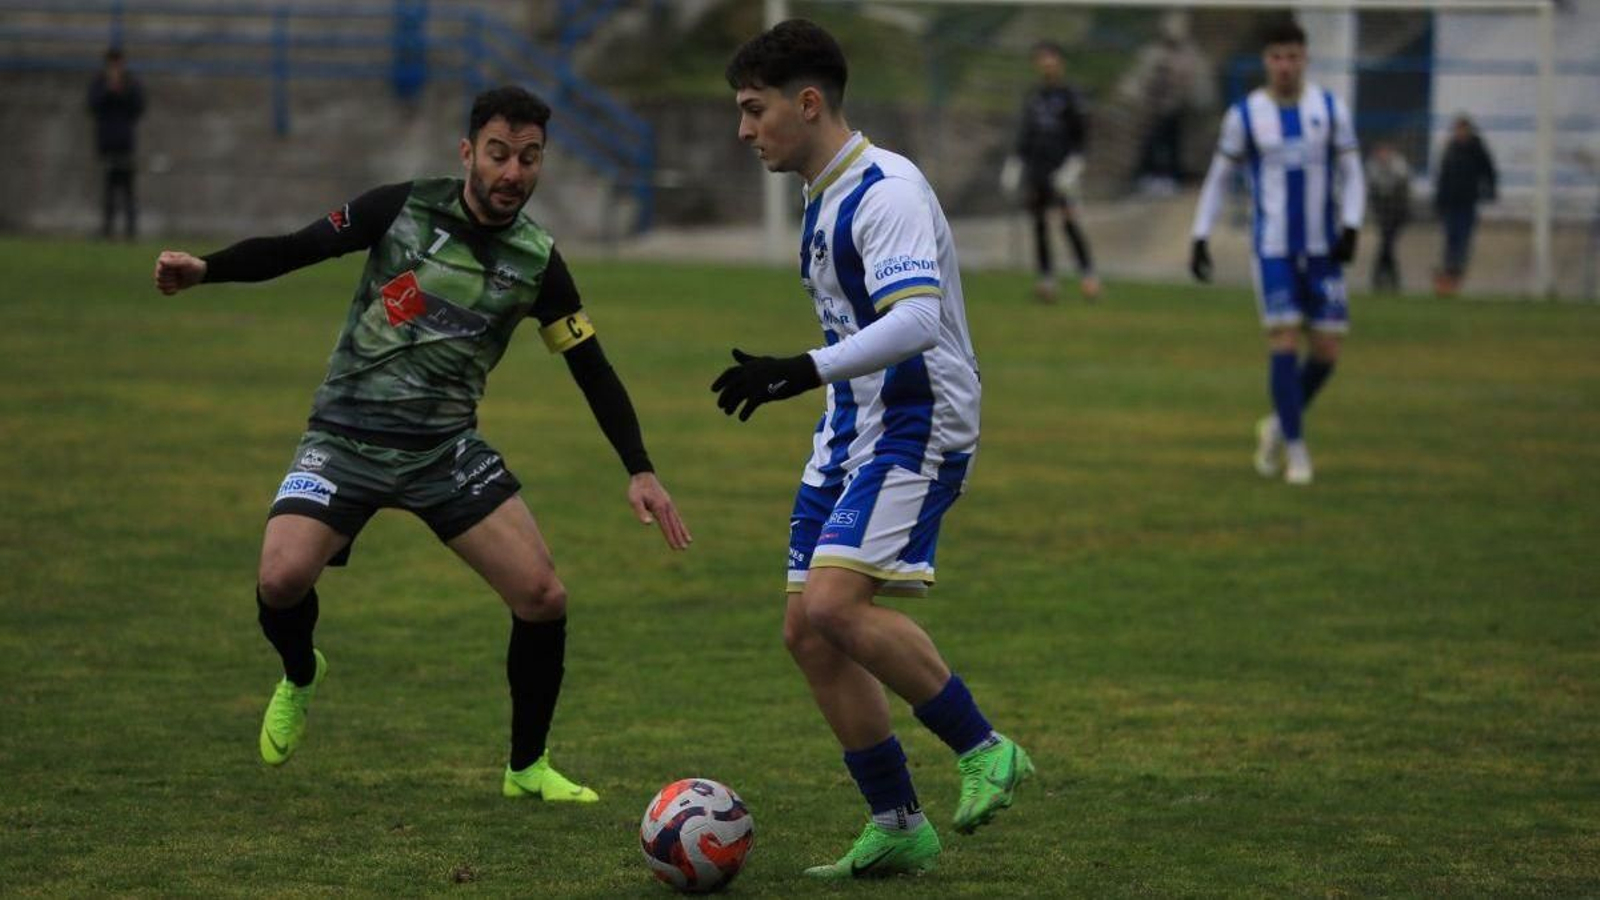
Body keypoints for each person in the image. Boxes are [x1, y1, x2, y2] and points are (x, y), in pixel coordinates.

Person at [151, 86, 691, 799]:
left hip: (444, 451)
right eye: (499, 154)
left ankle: (526, 767)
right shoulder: (400, 208)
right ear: (469, 152)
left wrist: (640, 468)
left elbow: (590, 366)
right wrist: (208, 269)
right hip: (345, 436)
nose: (512, 174)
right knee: (281, 580)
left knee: (543, 597)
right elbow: (297, 248)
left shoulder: (537, 262)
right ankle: (302, 671)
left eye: (529, 159)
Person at [718, 19, 1033, 880]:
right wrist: (816, 383)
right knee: (808, 632)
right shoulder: (823, 193)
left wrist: (800, 369)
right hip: (852, 426)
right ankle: (898, 822)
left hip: (917, 418)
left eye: (755, 110)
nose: (744, 130)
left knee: (834, 607)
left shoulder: (885, 188)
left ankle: (985, 749)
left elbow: (919, 320)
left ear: (807, 102)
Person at [1189, 18, 1364, 486]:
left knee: (1327, 350)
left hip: (1322, 249)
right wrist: (1199, 235)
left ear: (1305, 58)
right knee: (1284, 340)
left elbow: (1353, 173)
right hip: (1273, 251)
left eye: (1292, 56)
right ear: (1265, 61)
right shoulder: (1245, 116)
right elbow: (1219, 180)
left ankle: (1277, 424)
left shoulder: (1329, 110)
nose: (1284, 66)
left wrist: (1351, 225)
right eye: (1276, 57)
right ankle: (1297, 450)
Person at [1000, 40, 1100, 302]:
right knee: (1039, 223)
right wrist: (1015, 164)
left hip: (1063, 171)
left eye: (1051, 58)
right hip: (1038, 169)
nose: (1046, 64)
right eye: (1041, 59)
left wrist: (1074, 167)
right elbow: (1026, 135)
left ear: (1059, 62)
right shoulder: (1034, 96)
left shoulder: (1070, 96)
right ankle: (1047, 280)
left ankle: (1088, 276)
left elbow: (1081, 136)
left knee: (1069, 221)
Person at [1120, 11, 1214, 197]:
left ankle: (1171, 178)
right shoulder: (1153, 53)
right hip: (1153, 107)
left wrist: (1198, 98)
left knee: (1172, 143)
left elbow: (1198, 81)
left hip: (1176, 108)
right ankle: (1148, 177)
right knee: (1151, 141)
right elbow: (1139, 78)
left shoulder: (1189, 54)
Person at [1432, 114, 1497, 296]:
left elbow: (1489, 171)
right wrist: (1439, 201)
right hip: (1450, 202)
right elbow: (1443, 177)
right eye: (1457, 130)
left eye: (1462, 129)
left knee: (1462, 238)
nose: (1460, 133)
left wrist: (1490, 191)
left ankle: (1456, 274)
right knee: (1450, 238)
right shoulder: (1450, 149)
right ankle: (1448, 276)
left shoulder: (1477, 149)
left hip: (1467, 202)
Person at [87, 46, 145, 239]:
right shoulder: (99, 82)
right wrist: (108, 91)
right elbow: (92, 105)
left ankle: (130, 231)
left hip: (125, 142)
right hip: (106, 142)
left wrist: (121, 92)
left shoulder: (130, 83)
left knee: (127, 188)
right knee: (109, 189)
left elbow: (138, 107)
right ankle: (108, 230)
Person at [1366, 140, 1412, 293]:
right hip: (1383, 215)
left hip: (1397, 214)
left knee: (1387, 245)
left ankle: (1380, 277)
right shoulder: (1373, 169)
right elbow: (1373, 194)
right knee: (1387, 246)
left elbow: (1403, 193)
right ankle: (1388, 278)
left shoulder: (1399, 168)